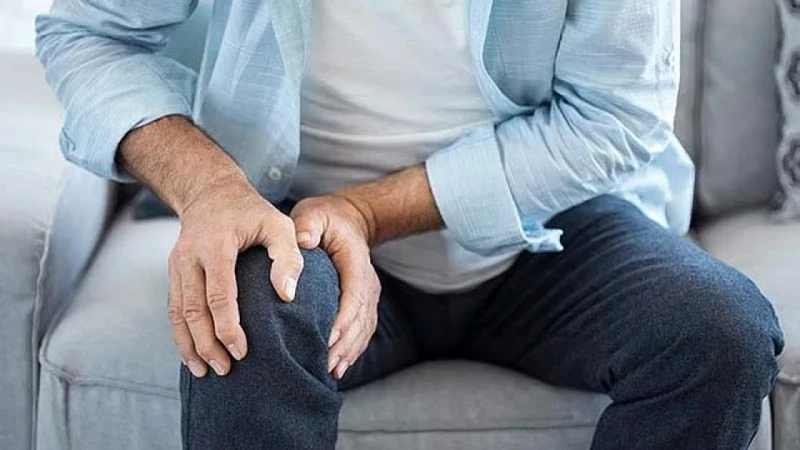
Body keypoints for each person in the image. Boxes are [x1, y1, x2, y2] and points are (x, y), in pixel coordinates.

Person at [36, 1, 784, 449]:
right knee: (249, 316)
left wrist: (367, 211)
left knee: (718, 331)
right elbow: (91, 33)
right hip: (298, 218)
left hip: (550, 228)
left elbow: (615, 115)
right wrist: (211, 188)